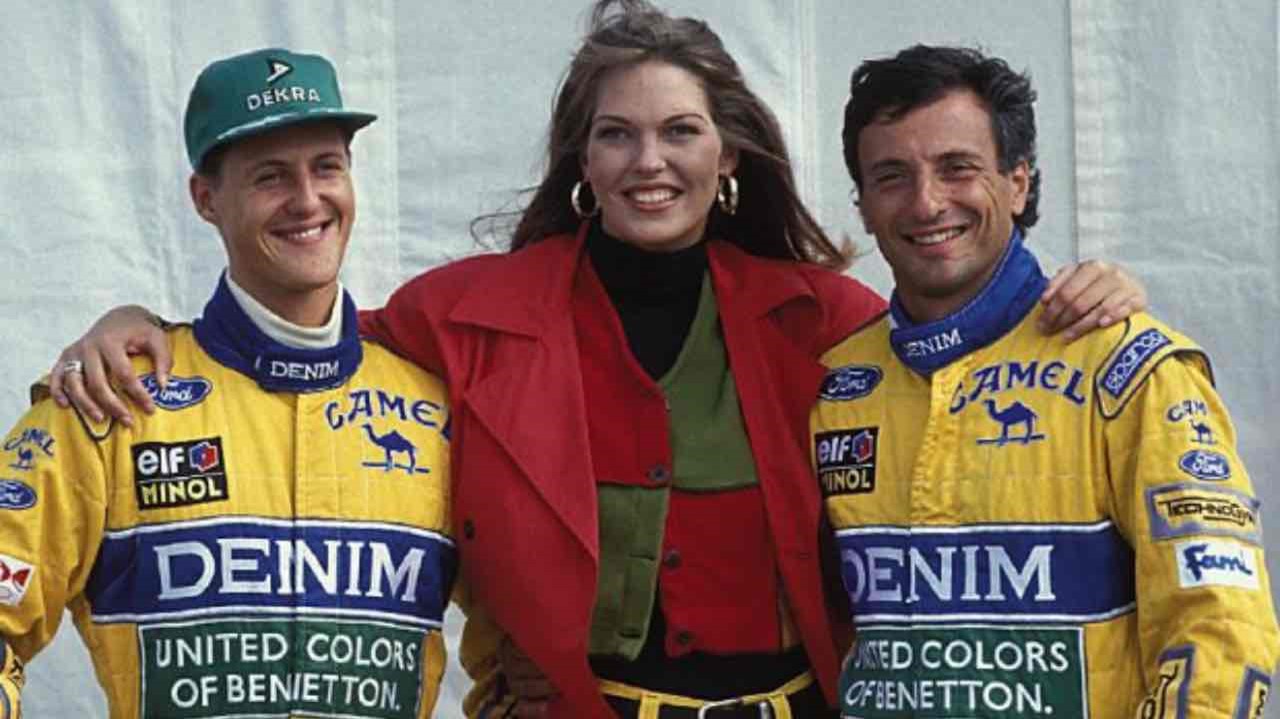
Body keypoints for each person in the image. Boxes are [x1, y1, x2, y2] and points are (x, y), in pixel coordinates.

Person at [45, 5, 1145, 717]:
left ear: (727, 154)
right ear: (581, 155)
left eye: (678, 132)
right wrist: (134, 318)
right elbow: (291, 343)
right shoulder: (461, 315)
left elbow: (953, 364)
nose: (647, 161)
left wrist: (1088, 294)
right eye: (616, 133)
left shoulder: (824, 317)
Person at [813, 43, 1280, 716]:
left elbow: (1220, 626)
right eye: (892, 175)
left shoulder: (1131, 368)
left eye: (957, 168)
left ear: (1018, 182)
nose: (926, 201)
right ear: (861, 202)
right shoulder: (837, 386)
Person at [0, 48, 456, 718]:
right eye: (271, 177)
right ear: (206, 198)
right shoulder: (109, 397)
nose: (308, 200)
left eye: (326, 166)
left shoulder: (437, 409)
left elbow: (524, 649)